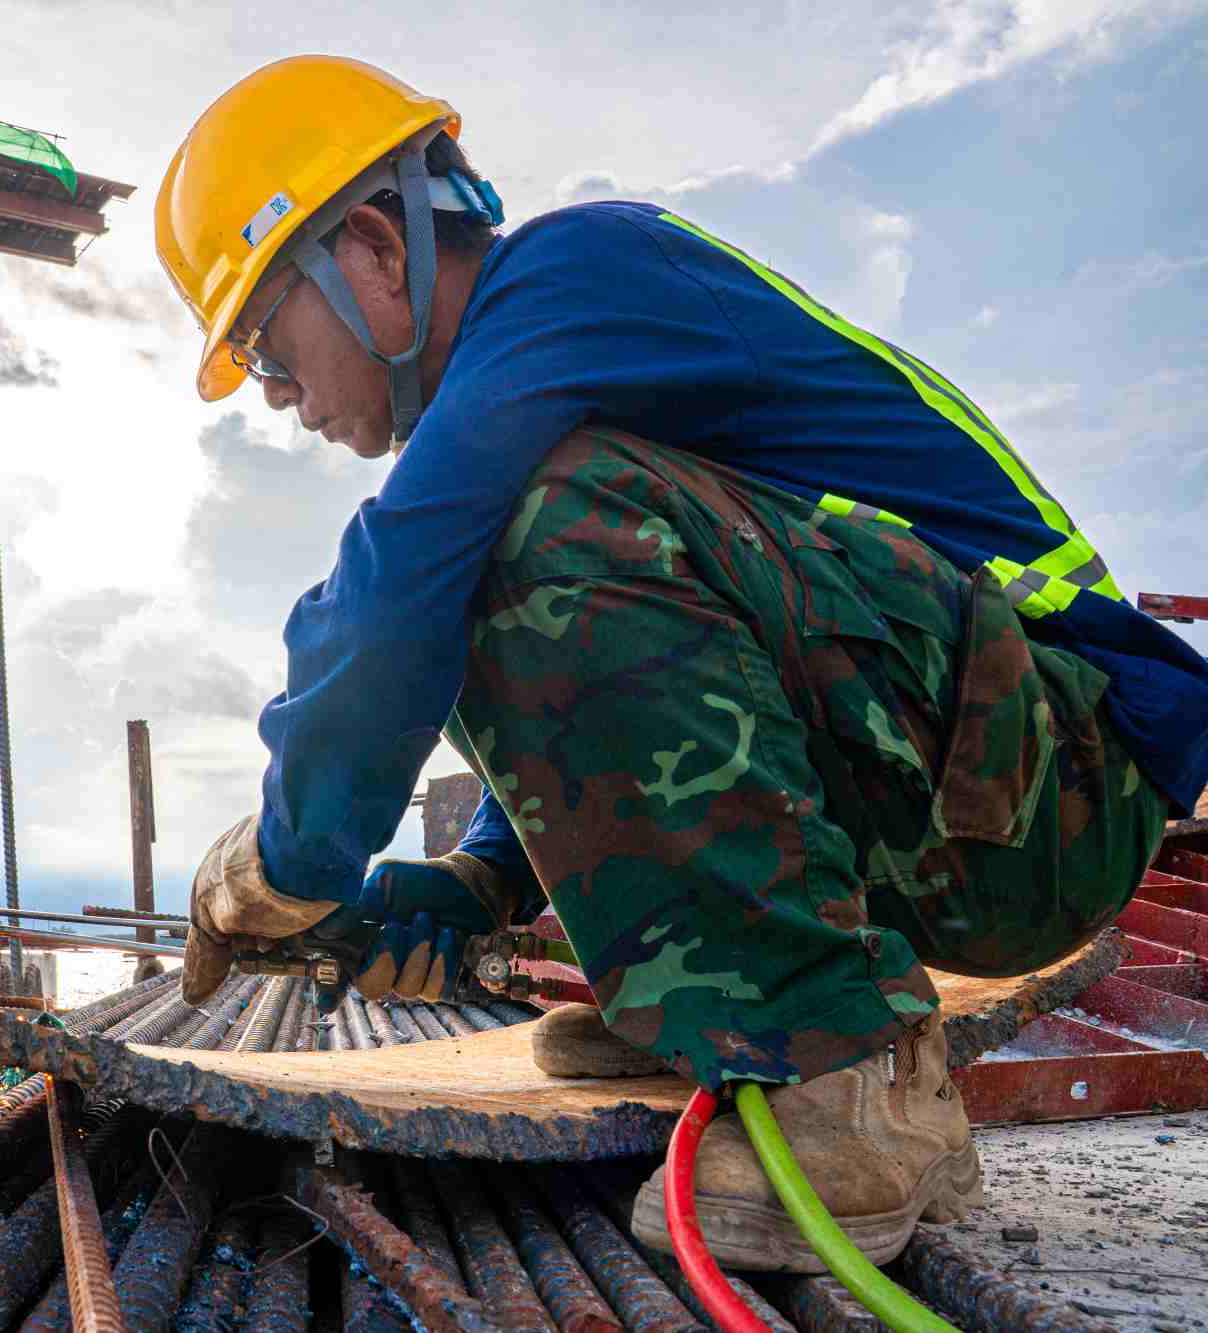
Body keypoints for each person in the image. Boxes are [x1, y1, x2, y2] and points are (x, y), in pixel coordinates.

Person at [154, 56, 1208, 1272]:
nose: (277, 395)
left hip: (1057, 773)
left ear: (376, 251)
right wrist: (480, 885)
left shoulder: (574, 271)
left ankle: (839, 1078)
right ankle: (716, 990)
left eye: (265, 341)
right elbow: (662, 652)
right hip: (975, 781)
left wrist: (281, 859)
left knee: (501, 534)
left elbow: (395, 598)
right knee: (501, 538)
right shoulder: (555, 374)